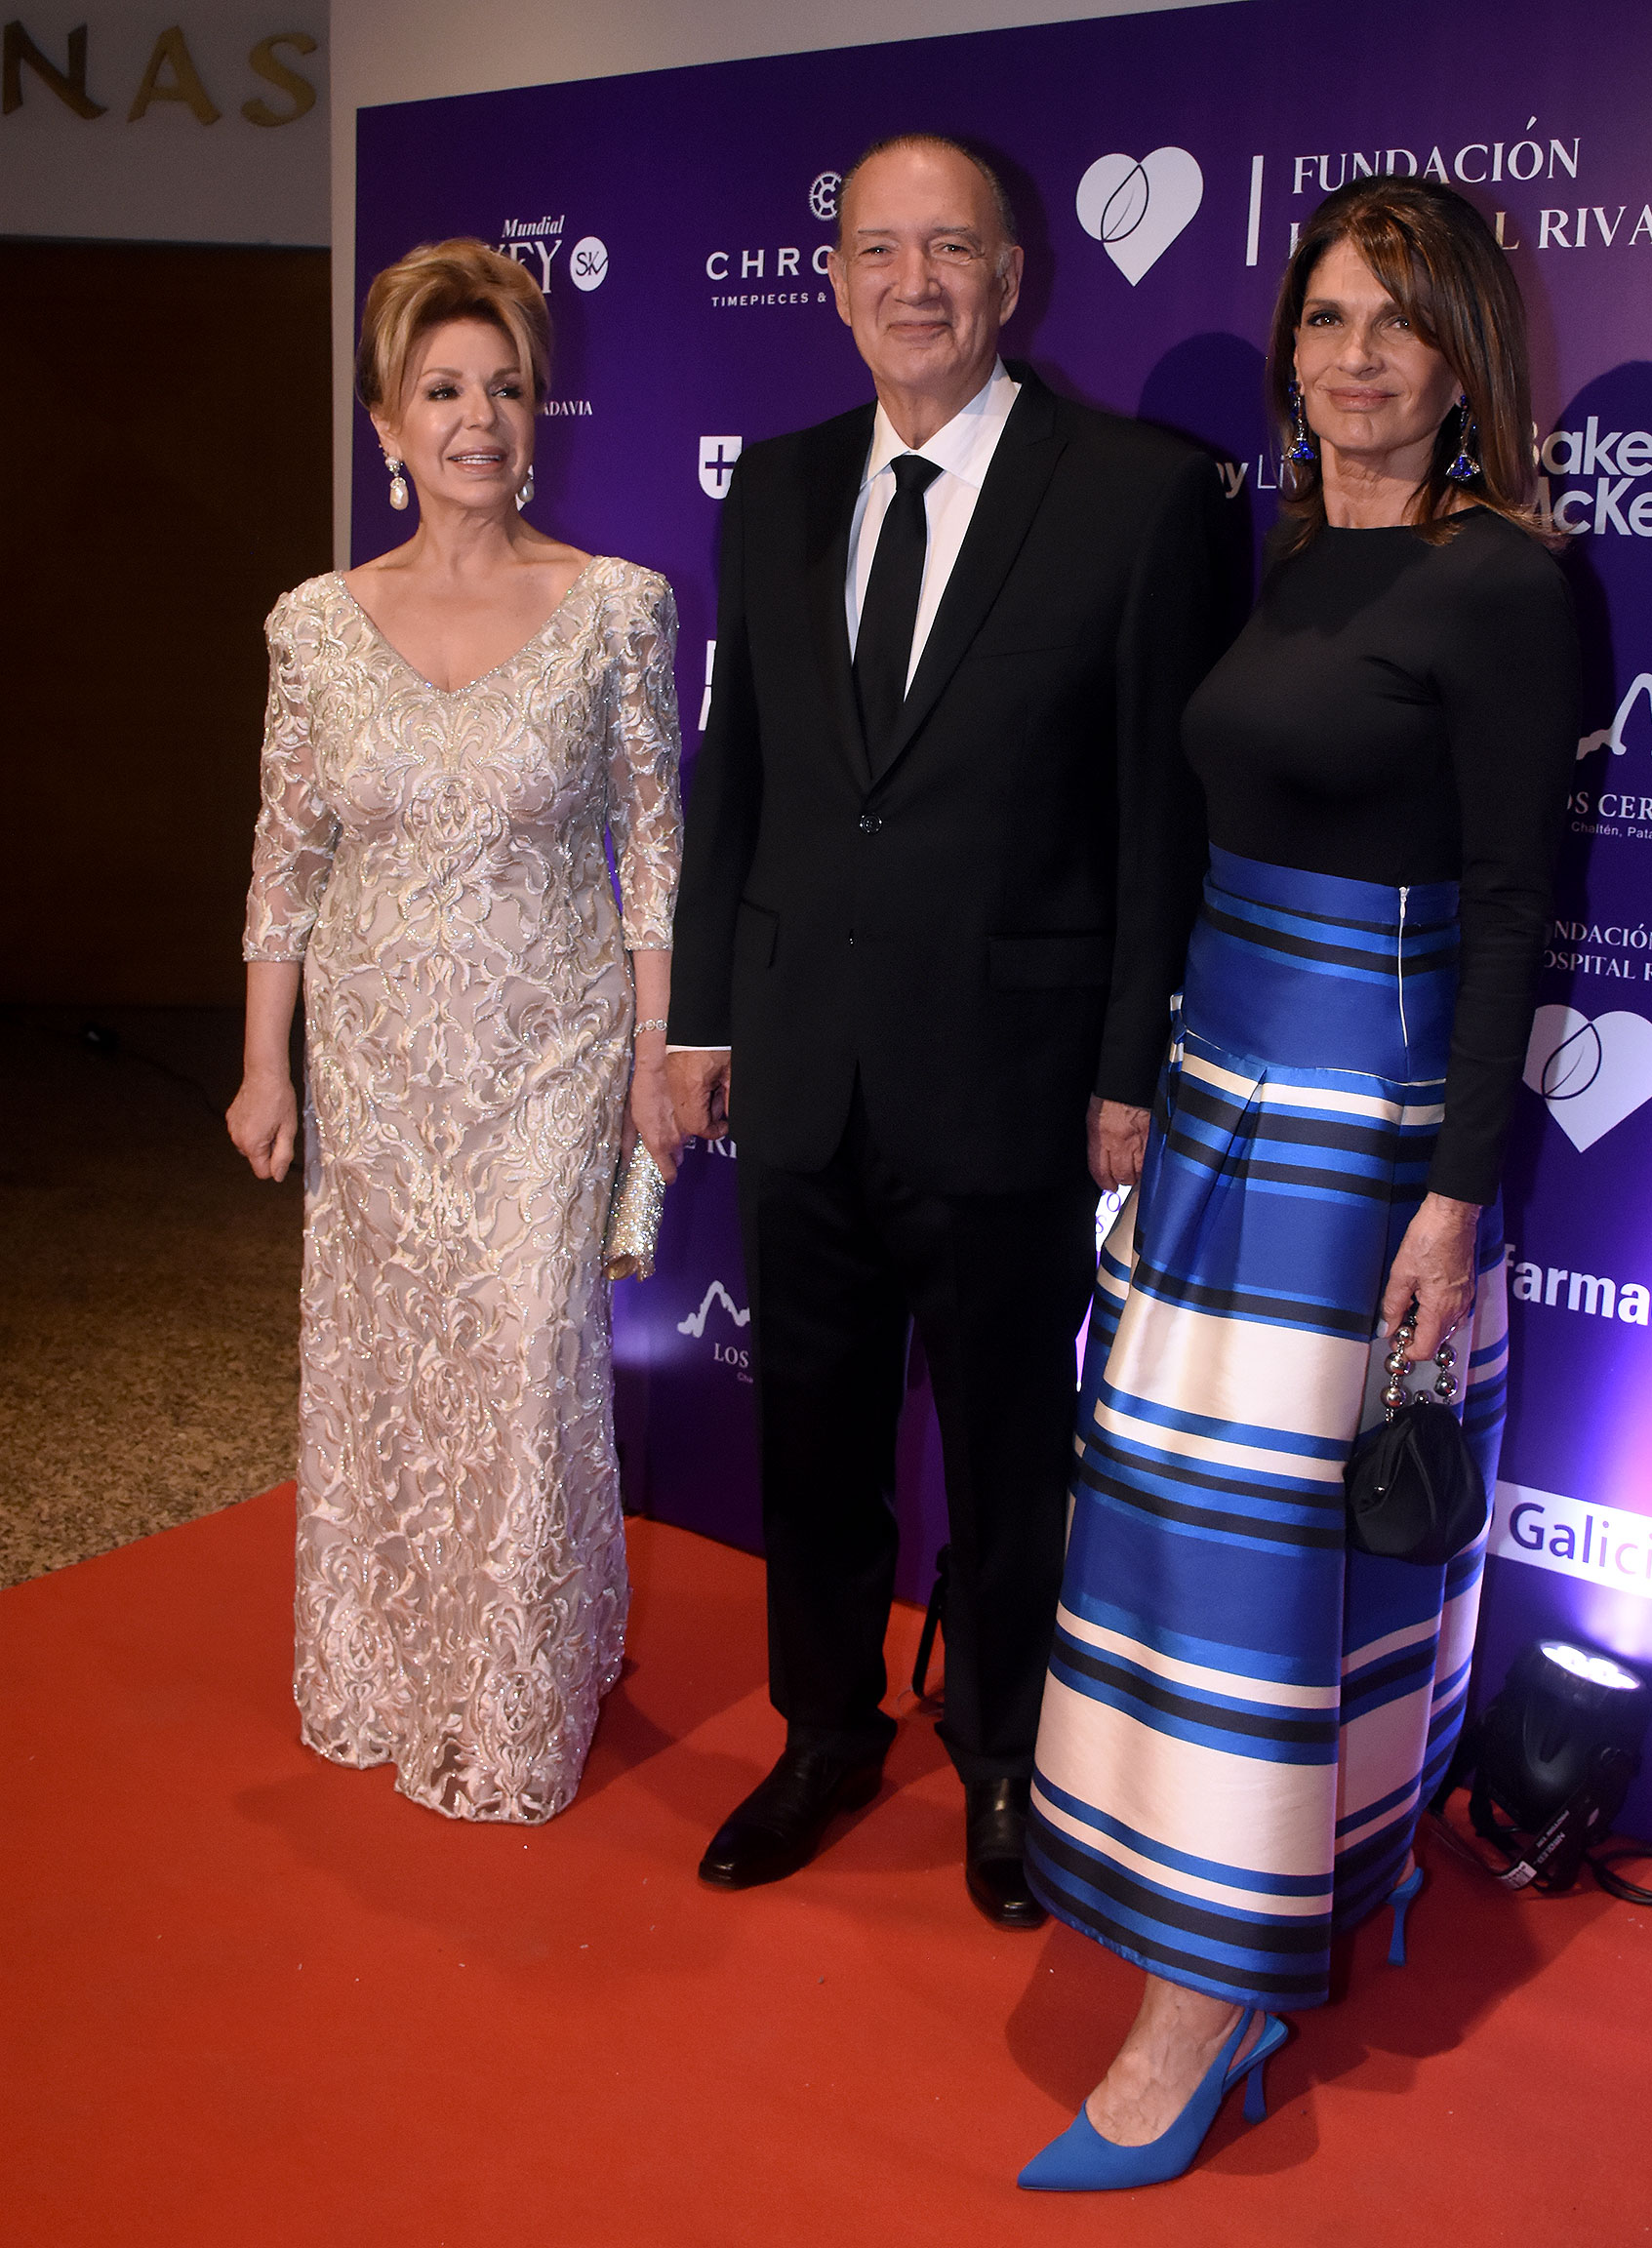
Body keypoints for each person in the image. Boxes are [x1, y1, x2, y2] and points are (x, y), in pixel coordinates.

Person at [1019, 176, 1582, 2189]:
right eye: (1326, 318)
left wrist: (1455, 1195)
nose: (1354, 359)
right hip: (1216, 1102)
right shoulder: (1284, 554)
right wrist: (1149, 1085)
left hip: (1364, 1139)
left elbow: (1519, 904)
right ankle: (1304, 1887)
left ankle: (1205, 2003)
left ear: (1466, 362)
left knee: (1275, 1568)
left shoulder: (1503, 581)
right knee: (1189, 1541)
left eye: (1396, 323)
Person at [666, 135, 1225, 1926]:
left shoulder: (1139, 497)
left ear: (1012, 278)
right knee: (811, 1438)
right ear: (835, 279)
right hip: (800, 1058)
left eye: (952, 252)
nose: (915, 285)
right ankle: (823, 1732)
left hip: (1015, 1076)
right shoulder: (776, 483)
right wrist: (695, 1021)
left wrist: (1130, 1066)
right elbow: (731, 772)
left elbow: (1161, 822)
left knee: (1005, 1451)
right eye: (880, 250)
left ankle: (1002, 1759)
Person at [226, 238, 682, 1824]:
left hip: (549, 1067)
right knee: (387, 1375)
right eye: (441, 389)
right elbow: (286, 862)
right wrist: (262, 1059)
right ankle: (379, 1663)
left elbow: (657, 870)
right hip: (374, 1066)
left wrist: (655, 1059)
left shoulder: (617, 609)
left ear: (538, 411)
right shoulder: (311, 626)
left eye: (503, 387)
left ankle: (508, 1701)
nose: (476, 417)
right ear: (385, 425)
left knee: (515, 1365)